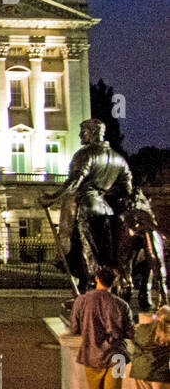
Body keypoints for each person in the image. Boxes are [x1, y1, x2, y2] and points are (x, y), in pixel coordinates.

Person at [41, 118, 135, 294]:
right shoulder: (119, 159)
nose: (79, 135)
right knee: (107, 255)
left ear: (93, 133)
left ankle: (83, 281)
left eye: (83, 131)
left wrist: (52, 197)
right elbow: (128, 188)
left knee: (78, 247)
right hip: (106, 208)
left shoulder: (85, 154)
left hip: (85, 206)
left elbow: (74, 182)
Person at [69, 266, 134, 389]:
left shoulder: (81, 301)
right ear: (114, 283)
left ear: (97, 279)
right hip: (118, 356)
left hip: (91, 353)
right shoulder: (122, 304)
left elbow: (74, 328)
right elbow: (130, 332)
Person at [127, 305, 170, 389]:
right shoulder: (167, 335)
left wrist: (154, 317)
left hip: (141, 370)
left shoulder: (143, 329)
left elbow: (133, 339)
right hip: (159, 374)